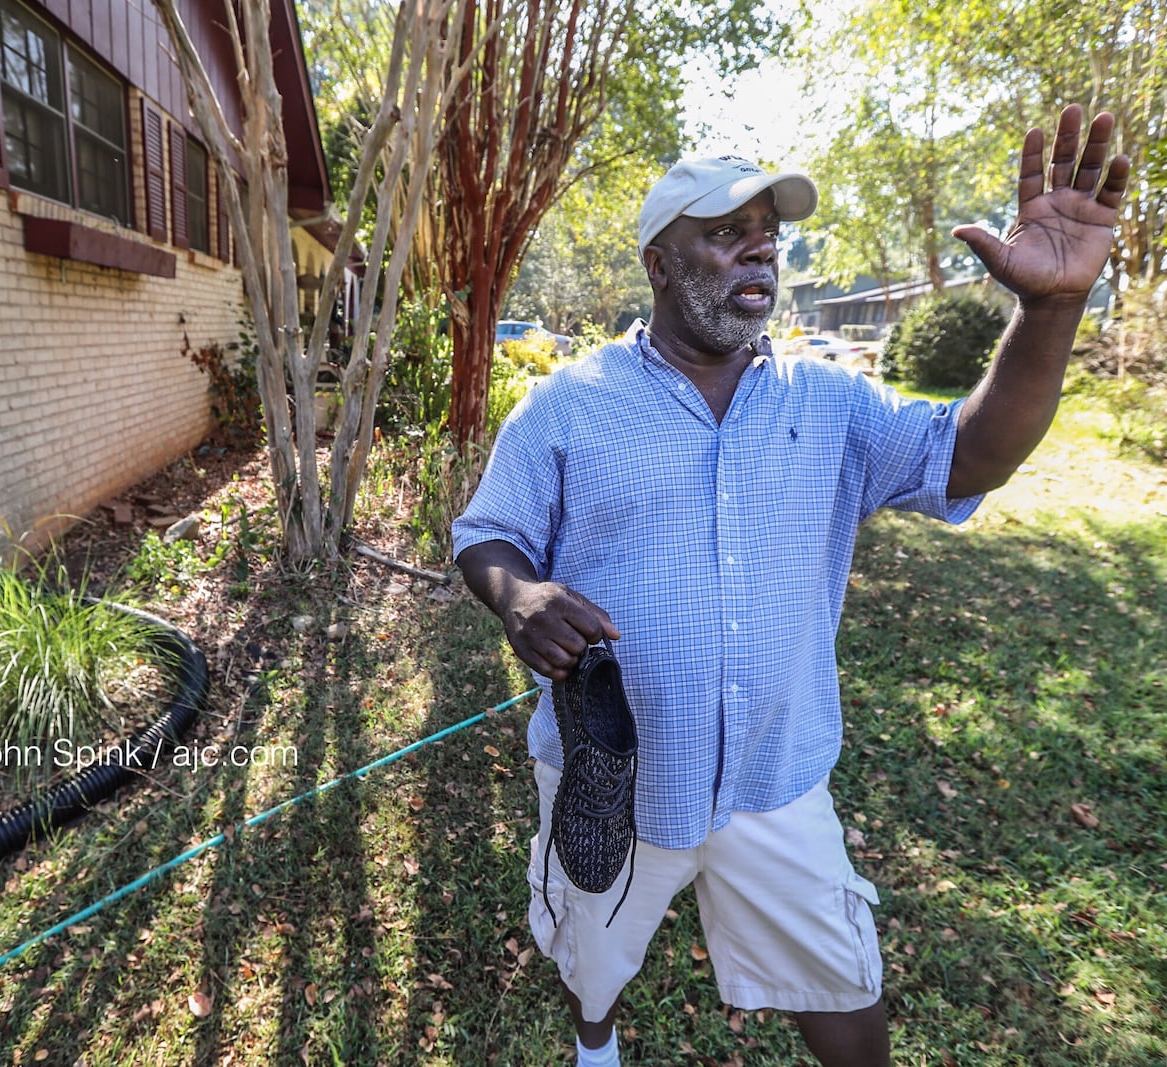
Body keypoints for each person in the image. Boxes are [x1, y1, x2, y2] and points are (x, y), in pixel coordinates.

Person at [453, 105, 1130, 1067]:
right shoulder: (570, 404)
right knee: (591, 948)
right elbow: (489, 533)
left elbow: (970, 456)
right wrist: (517, 596)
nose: (756, 255)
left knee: (842, 975)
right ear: (659, 259)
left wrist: (1052, 308)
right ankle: (594, 1040)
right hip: (612, 774)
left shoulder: (831, 404)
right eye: (725, 234)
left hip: (777, 776)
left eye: (767, 238)